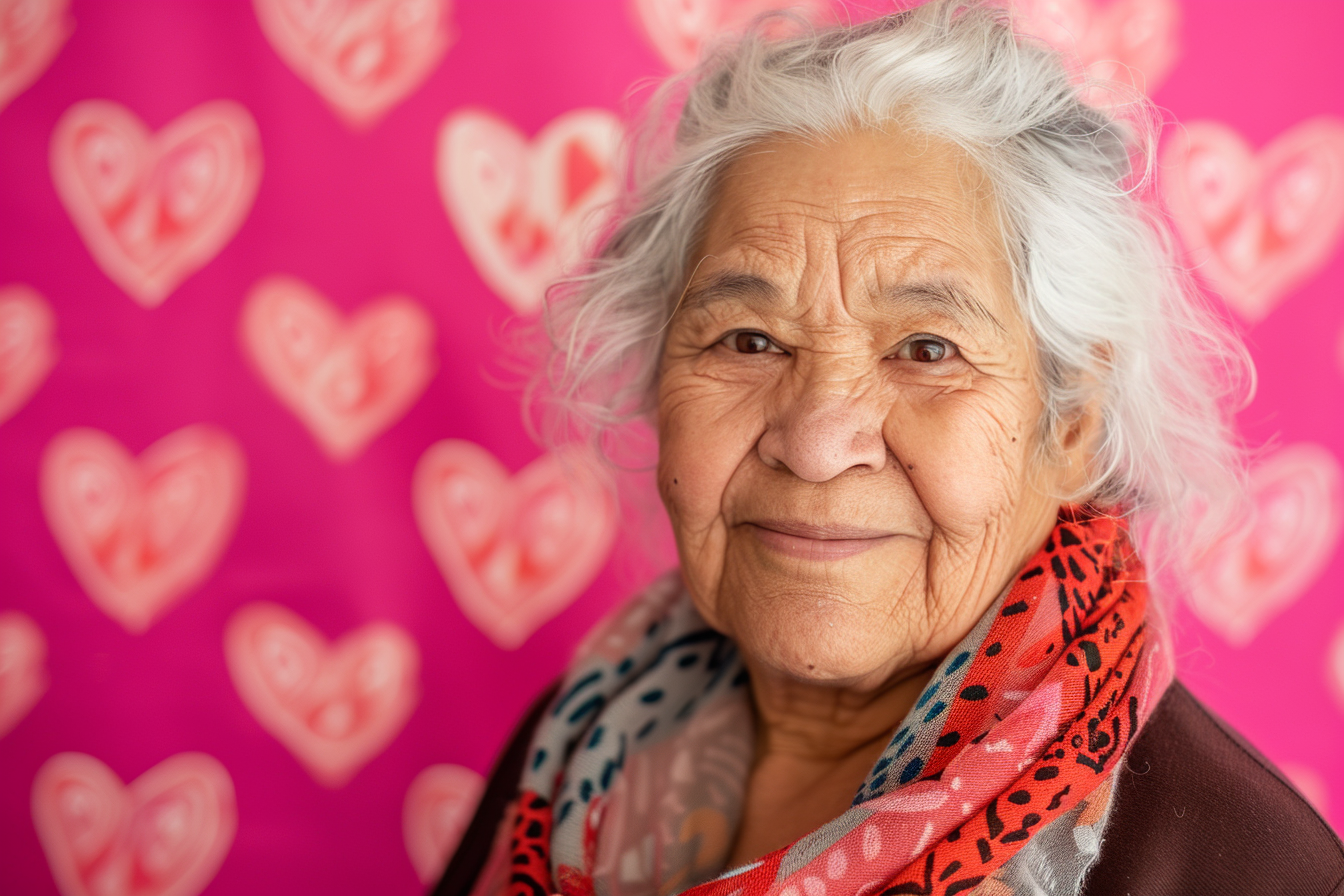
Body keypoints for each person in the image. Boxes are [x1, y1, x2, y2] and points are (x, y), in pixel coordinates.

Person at [436, 2, 1344, 894]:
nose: (817, 443)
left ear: (1069, 423)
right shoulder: (583, 744)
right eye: (750, 340)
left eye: (927, 350)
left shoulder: (1242, 871)